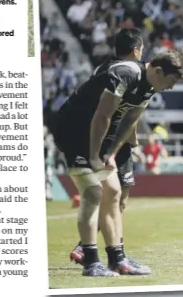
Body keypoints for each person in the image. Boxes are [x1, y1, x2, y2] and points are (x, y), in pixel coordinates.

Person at [53, 37, 182, 277]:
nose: (170, 87)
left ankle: (117, 259)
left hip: (97, 135)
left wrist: (110, 153)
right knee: (93, 192)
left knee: (113, 192)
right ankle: (91, 261)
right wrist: (93, 156)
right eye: (172, 81)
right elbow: (102, 115)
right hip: (73, 129)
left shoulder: (149, 85)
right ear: (158, 70)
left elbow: (130, 120)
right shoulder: (126, 72)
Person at [68, 29, 148, 272]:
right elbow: (119, 113)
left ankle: (111, 251)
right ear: (136, 50)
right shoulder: (126, 73)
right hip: (113, 142)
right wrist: (129, 143)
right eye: (141, 48)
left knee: (118, 197)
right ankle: (100, 251)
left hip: (112, 140)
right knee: (113, 197)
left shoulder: (106, 68)